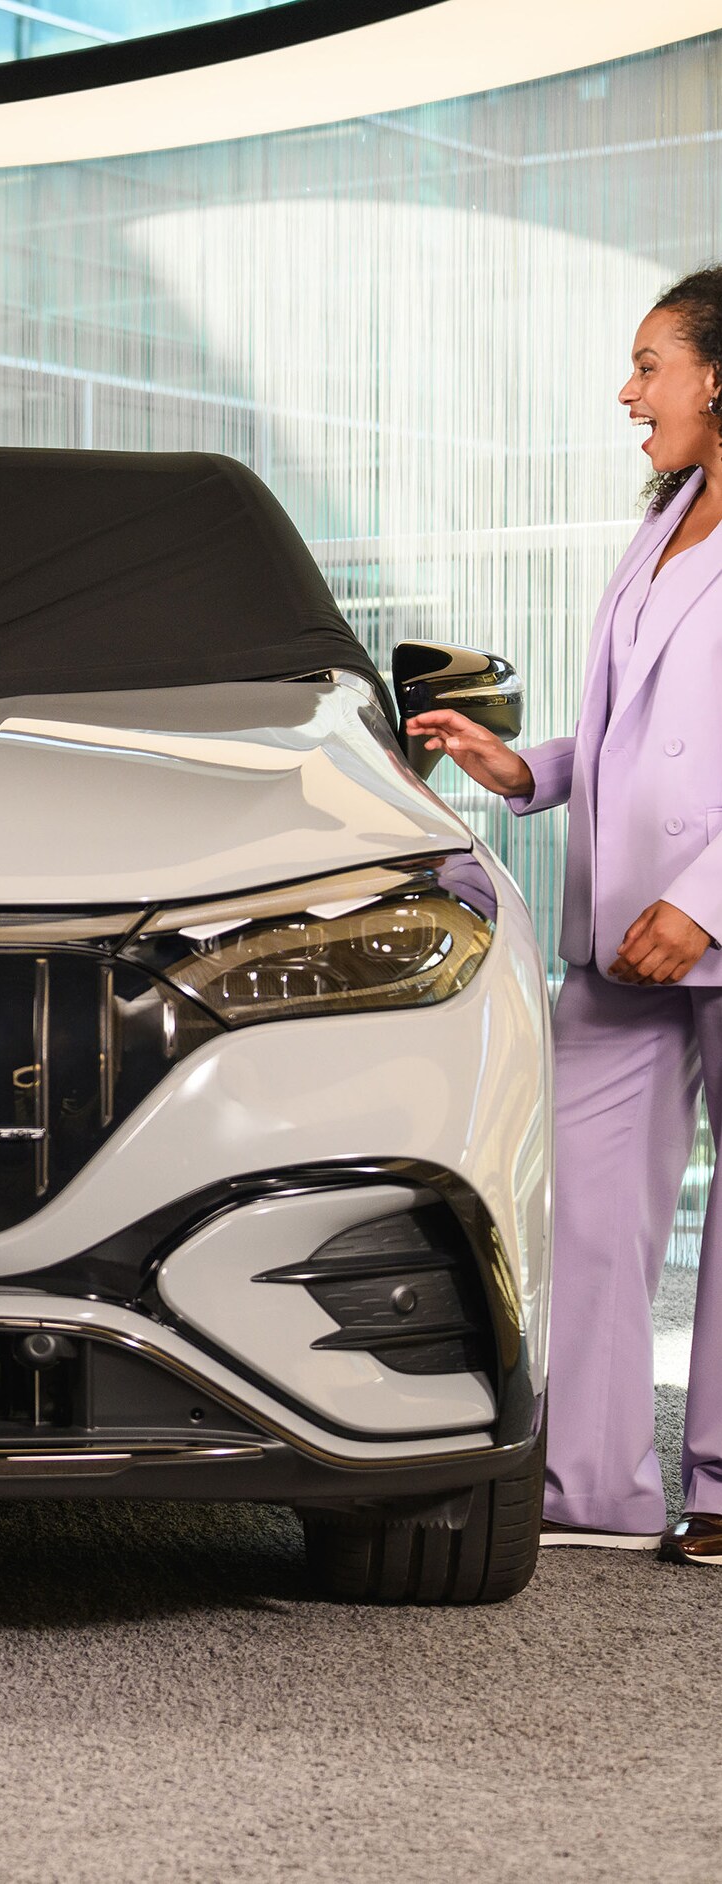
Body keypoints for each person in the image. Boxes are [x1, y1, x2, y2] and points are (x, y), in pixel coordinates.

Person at [406, 266, 722, 1567]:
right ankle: (591, 1484)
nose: (627, 393)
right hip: (619, 933)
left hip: (705, 917)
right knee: (583, 1202)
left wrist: (704, 905)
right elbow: (630, 730)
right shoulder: (663, 526)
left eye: (649, 366)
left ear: (720, 378)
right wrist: (520, 769)